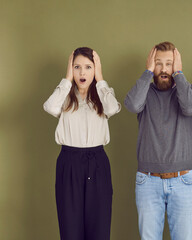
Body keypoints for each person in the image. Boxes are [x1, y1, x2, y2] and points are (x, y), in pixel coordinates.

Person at [124, 41, 192, 240]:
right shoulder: (144, 93)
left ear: (177, 65)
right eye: (159, 63)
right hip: (147, 180)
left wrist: (179, 74)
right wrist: (147, 72)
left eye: (169, 63)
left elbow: (191, 108)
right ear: (151, 64)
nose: (164, 69)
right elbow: (131, 105)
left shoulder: (188, 91)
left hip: (183, 180)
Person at [43, 47, 121, 240]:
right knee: (70, 228)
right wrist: (67, 79)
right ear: (71, 69)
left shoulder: (103, 96)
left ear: (95, 69)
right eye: (77, 67)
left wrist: (101, 78)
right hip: (69, 162)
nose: (82, 72)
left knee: (99, 227)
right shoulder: (64, 97)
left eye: (88, 67)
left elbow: (113, 108)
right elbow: (49, 107)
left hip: (97, 163)